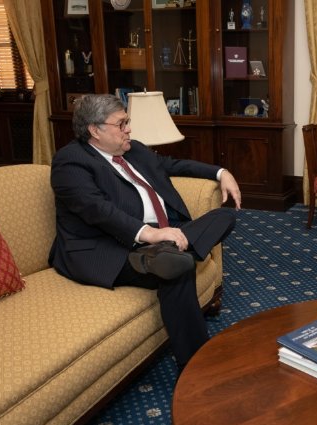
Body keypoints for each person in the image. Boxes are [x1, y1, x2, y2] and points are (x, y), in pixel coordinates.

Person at [48, 93, 241, 372]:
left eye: (127, 121)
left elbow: (174, 165)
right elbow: (96, 209)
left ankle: (166, 252)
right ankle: (195, 367)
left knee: (224, 216)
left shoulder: (132, 149)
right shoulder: (70, 161)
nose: (129, 129)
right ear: (94, 130)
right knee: (178, 268)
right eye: (121, 124)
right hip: (110, 247)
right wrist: (148, 234)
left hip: (160, 238)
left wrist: (221, 172)